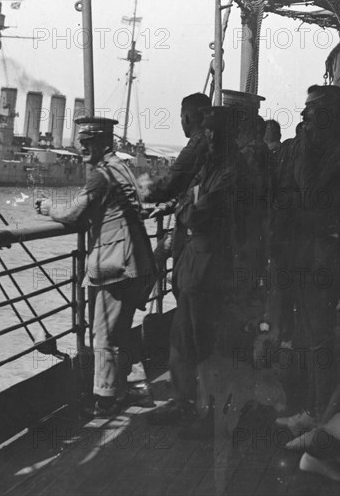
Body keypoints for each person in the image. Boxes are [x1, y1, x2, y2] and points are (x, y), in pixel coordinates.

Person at [35, 117, 157, 417]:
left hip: (115, 265)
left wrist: (49, 209)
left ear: (105, 142)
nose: (83, 147)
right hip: (138, 261)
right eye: (82, 141)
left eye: (89, 142)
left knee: (104, 334)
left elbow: (76, 215)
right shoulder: (121, 167)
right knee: (123, 330)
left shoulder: (102, 175)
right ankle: (138, 387)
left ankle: (105, 400)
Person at [148, 106, 245, 428]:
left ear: (230, 134)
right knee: (183, 338)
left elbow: (200, 212)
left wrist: (187, 210)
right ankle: (183, 402)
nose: (211, 137)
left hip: (213, 266)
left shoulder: (234, 171)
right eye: (208, 131)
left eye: (217, 130)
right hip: (193, 263)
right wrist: (186, 209)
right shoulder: (210, 165)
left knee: (208, 342)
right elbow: (187, 204)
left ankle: (211, 413)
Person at [275, 85, 340, 433]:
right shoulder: (313, 151)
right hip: (302, 255)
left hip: (322, 260)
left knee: (318, 338)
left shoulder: (336, 156)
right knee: (306, 334)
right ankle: (310, 408)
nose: (304, 117)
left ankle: (319, 415)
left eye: (312, 111)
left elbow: (313, 198)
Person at [137, 93, 211, 295]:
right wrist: (169, 205)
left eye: (181, 118)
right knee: (163, 252)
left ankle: (138, 296)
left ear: (187, 118)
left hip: (193, 227)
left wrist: (142, 193)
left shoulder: (197, 145)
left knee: (182, 282)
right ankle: (141, 295)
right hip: (197, 220)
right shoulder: (210, 141)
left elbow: (171, 182)